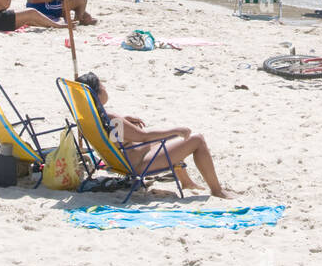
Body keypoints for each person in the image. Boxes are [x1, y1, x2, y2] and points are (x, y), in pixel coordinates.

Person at [76, 72, 233, 198]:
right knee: (196, 139)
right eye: (102, 85)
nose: (105, 88)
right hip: (139, 164)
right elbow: (143, 136)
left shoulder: (91, 118)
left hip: (123, 161)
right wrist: (176, 130)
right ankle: (217, 190)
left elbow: (115, 138)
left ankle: (186, 182)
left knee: (175, 141)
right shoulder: (110, 119)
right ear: (96, 92)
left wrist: (124, 120)